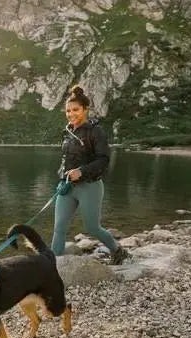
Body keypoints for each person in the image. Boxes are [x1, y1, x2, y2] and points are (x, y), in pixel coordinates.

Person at [51, 85, 128, 265]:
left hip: (90, 186)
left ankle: (118, 251)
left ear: (86, 109)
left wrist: (82, 172)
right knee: (59, 228)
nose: (71, 114)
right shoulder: (67, 131)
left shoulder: (96, 131)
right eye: (68, 111)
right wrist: (62, 178)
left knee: (92, 228)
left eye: (75, 110)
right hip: (68, 186)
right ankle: (53, 267)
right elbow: (66, 159)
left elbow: (103, 159)